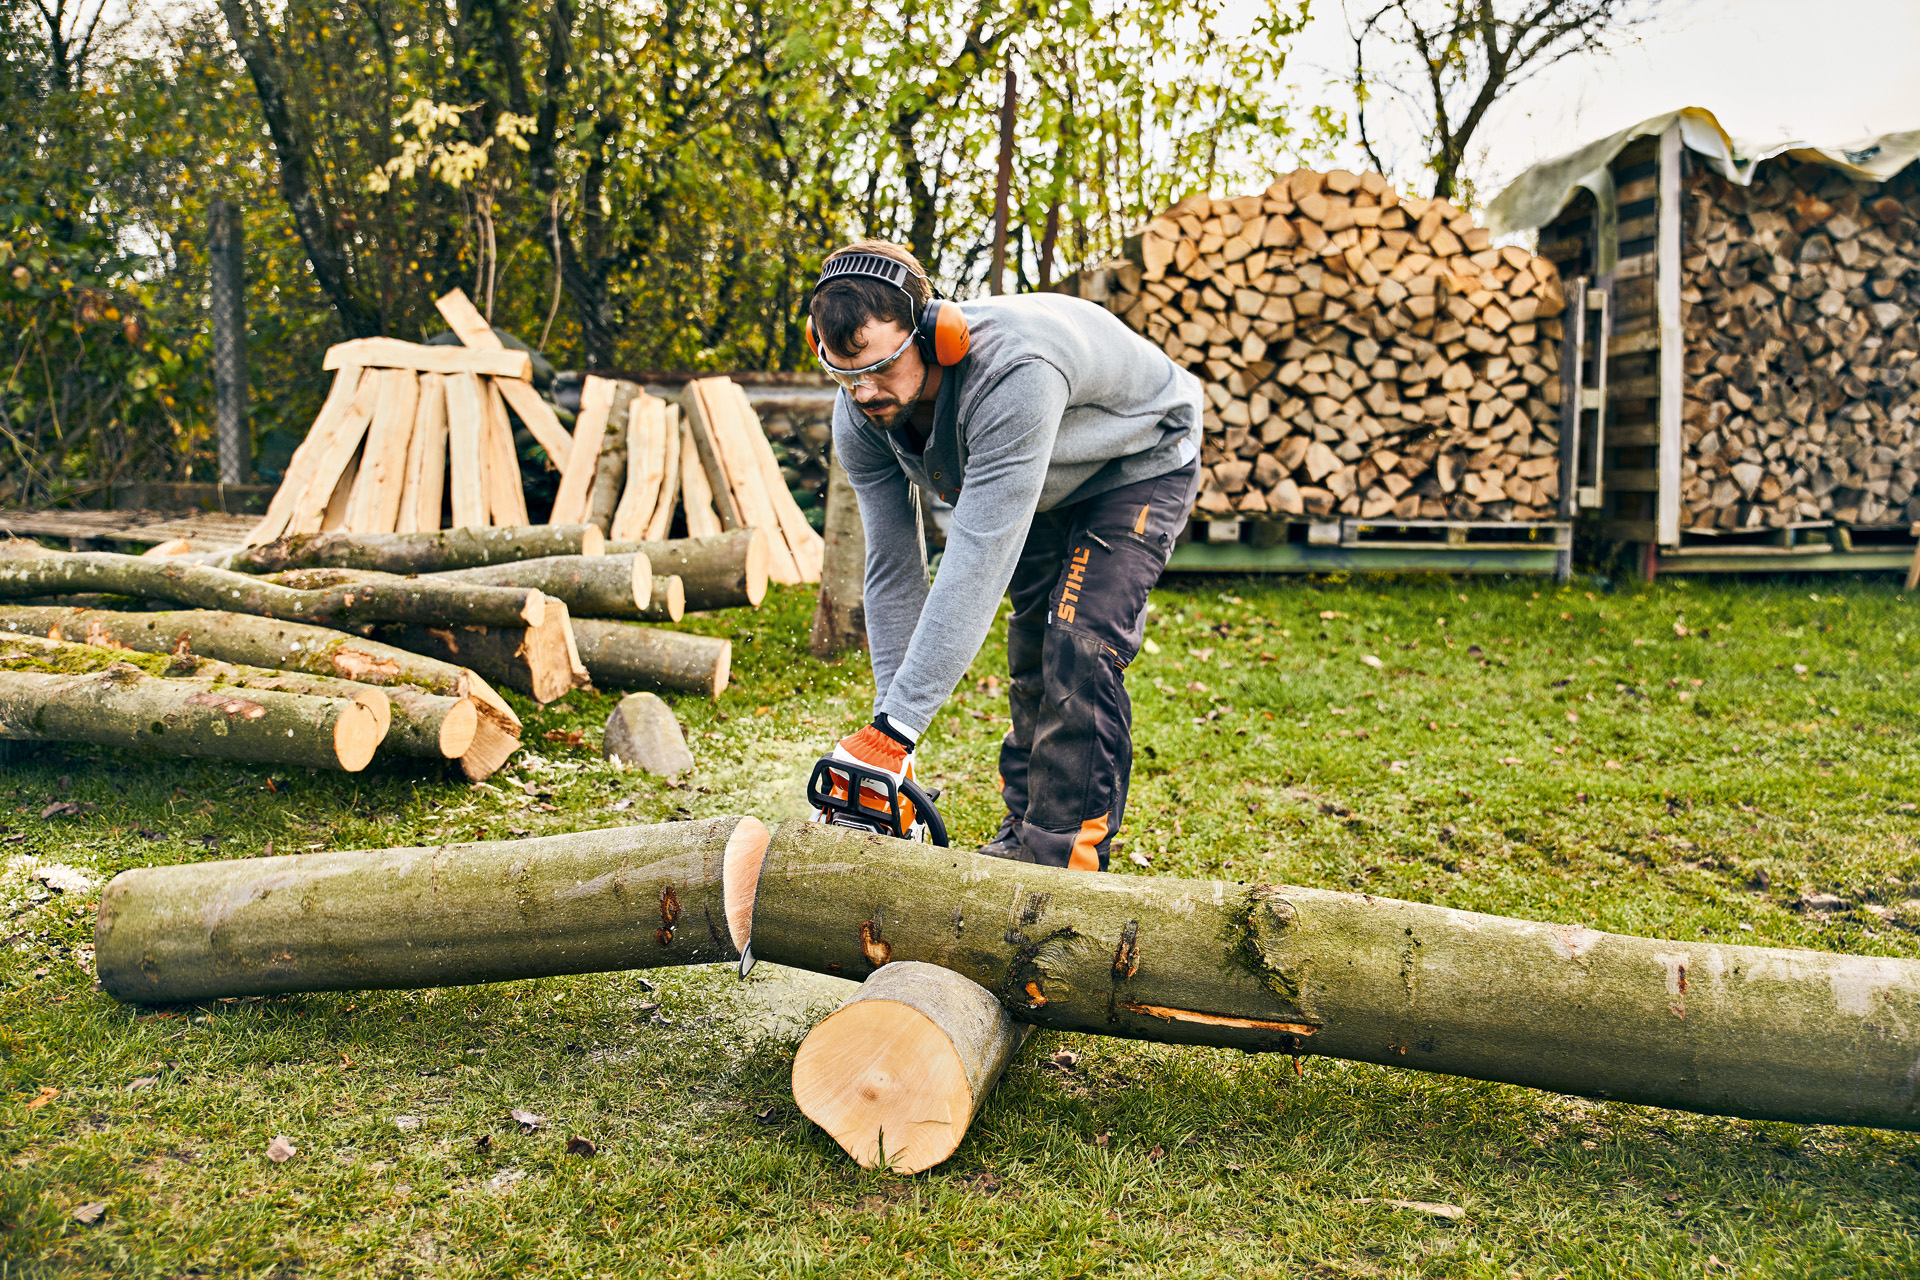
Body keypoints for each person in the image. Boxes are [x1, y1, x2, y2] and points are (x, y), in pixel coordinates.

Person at [807, 240, 1201, 870]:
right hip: (1046, 480)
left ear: (937, 334)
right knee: (1034, 648)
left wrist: (900, 726)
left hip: (1137, 460)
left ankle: (1061, 865)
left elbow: (975, 559)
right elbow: (893, 568)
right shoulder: (861, 412)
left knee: (1078, 640)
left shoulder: (1013, 373)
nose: (863, 392)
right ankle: (1024, 831)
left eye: (879, 368)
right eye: (845, 374)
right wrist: (889, 731)